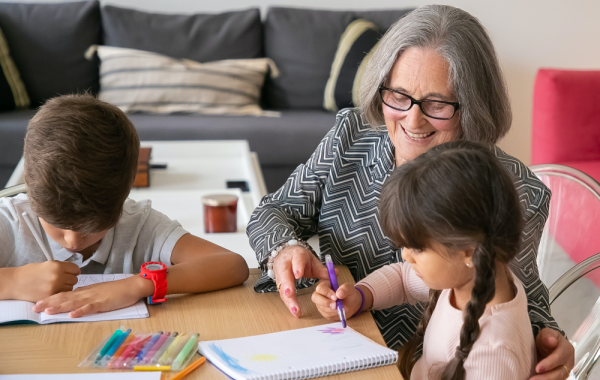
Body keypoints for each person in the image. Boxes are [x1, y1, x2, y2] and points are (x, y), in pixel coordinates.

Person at [247, 5, 573, 380]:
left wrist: (549, 341)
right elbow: (274, 211)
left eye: (437, 104)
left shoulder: (513, 189)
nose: (413, 120)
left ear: (473, 105)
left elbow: (519, 296)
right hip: (333, 349)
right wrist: (286, 250)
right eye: (398, 96)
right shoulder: (350, 136)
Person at [0, 94, 249, 317]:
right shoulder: (11, 221)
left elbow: (231, 265)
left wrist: (137, 285)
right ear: (31, 191)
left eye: (90, 228)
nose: (73, 241)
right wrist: (13, 281)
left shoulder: (140, 225)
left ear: (122, 197)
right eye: (57, 224)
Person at [314, 141, 535, 379]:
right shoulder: (478, 277)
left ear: (469, 251)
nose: (405, 255)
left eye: (417, 249)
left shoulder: (492, 355)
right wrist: (360, 297)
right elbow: (402, 277)